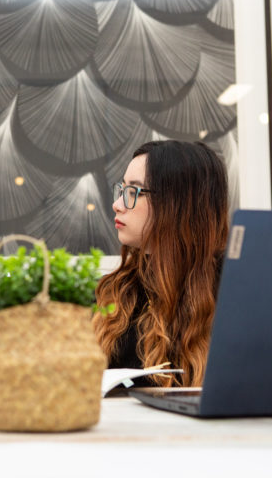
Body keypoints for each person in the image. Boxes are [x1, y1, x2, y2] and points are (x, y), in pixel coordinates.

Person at [93, 140, 229, 387]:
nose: (117, 204)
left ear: (178, 203)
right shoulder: (117, 294)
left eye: (133, 192)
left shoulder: (231, 294)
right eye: (122, 190)